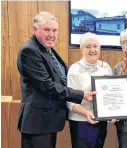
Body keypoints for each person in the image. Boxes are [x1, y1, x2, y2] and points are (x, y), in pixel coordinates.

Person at [17, 11, 95, 148]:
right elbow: (47, 86)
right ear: (35, 30)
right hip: (37, 123)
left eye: (54, 30)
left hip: (47, 122)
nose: (52, 35)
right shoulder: (29, 51)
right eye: (47, 30)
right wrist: (81, 94)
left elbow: (61, 79)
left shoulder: (46, 49)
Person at [66, 32, 113, 148]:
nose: (92, 49)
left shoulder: (106, 67)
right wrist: (85, 113)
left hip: (100, 120)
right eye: (88, 47)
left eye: (95, 46)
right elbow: (69, 100)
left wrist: (113, 111)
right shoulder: (74, 69)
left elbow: (111, 94)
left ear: (99, 48)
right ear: (82, 50)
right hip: (80, 121)